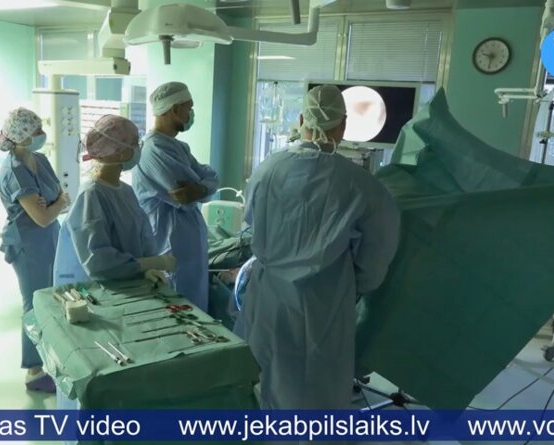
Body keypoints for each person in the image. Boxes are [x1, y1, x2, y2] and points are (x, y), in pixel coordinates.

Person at [239, 85, 401, 410]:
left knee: (269, 378)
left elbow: (251, 223)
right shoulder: (360, 183)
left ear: (301, 120)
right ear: (343, 126)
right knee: (318, 385)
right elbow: (378, 248)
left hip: (270, 296)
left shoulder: (268, 170)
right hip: (324, 301)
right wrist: (358, 286)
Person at [0, 107, 70, 393]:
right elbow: (41, 216)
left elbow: (56, 200)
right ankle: (34, 371)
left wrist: (54, 205)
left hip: (49, 237)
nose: (42, 134)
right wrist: (57, 204)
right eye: (36, 130)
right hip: (27, 244)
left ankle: (50, 356)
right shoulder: (15, 171)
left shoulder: (39, 159)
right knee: (35, 304)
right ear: (21, 136)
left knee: (51, 299)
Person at [54, 115, 175, 286]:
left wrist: (146, 269)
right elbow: (97, 262)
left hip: (130, 283)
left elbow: (141, 238)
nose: (138, 147)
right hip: (100, 290)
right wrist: (146, 264)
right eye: (135, 142)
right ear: (119, 150)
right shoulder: (91, 195)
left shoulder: (126, 191)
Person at [131, 82, 220, 311]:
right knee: (178, 310)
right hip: (169, 243)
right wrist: (203, 188)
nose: (191, 114)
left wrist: (200, 189)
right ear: (174, 109)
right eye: (189, 108)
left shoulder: (179, 147)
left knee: (194, 310)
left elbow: (211, 177)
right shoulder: (153, 150)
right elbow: (184, 194)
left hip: (187, 243)